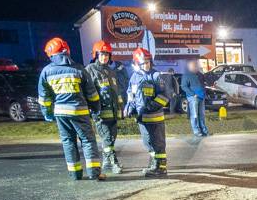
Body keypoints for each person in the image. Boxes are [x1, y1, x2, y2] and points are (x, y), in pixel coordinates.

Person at [38, 37, 104, 181]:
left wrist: (47, 113)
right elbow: (92, 93)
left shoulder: (46, 72)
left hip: (61, 113)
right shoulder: (79, 69)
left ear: (50, 54)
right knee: (87, 141)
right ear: (67, 52)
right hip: (79, 111)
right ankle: (94, 173)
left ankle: (75, 174)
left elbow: (44, 97)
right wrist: (95, 108)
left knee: (68, 142)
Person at [125, 47, 170, 178]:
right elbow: (131, 95)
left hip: (154, 117)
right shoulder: (134, 78)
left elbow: (165, 96)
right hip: (142, 118)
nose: (146, 65)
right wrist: (129, 107)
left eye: (148, 62)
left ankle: (161, 168)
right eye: (143, 63)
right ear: (136, 64)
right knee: (148, 142)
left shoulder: (156, 76)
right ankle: (154, 164)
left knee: (158, 143)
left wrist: (151, 106)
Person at [85, 40, 123, 174]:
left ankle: (107, 162)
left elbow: (116, 92)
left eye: (107, 54)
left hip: (113, 112)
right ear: (96, 55)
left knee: (111, 137)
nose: (104, 57)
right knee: (106, 137)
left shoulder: (111, 71)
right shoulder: (90, 70)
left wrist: (120, 106)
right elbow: (87, 91)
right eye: (102, 54)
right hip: (100, 111)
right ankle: (113, 162)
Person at [181, 60, 208, 137]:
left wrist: (204, 91)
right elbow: (184, 86)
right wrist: (193, 94)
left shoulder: (200, 74)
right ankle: (196, 131)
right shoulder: (186, 75)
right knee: (194, 115)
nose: (196, 66)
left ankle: (204, 131)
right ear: (190, 66)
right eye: (194, 65)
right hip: (193, 98)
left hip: (201, 97)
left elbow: (203, 83)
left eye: (196, 65)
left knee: (202, 115)